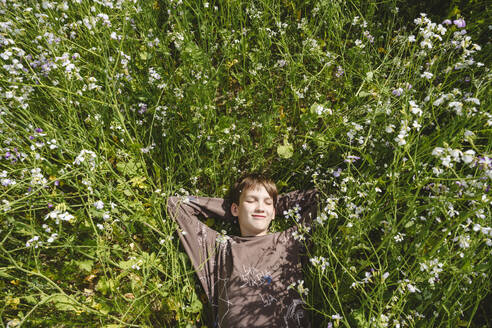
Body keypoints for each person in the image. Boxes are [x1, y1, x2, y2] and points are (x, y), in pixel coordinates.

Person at [167, 173, 319, 327]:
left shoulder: (289, 241)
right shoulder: (218, 246)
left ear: (273, 212)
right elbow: (176, 205)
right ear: (235, 208)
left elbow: (322, 197)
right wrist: (234, 208)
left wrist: (276, 206)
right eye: (251, 201)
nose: (260, 207)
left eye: (267, 203)